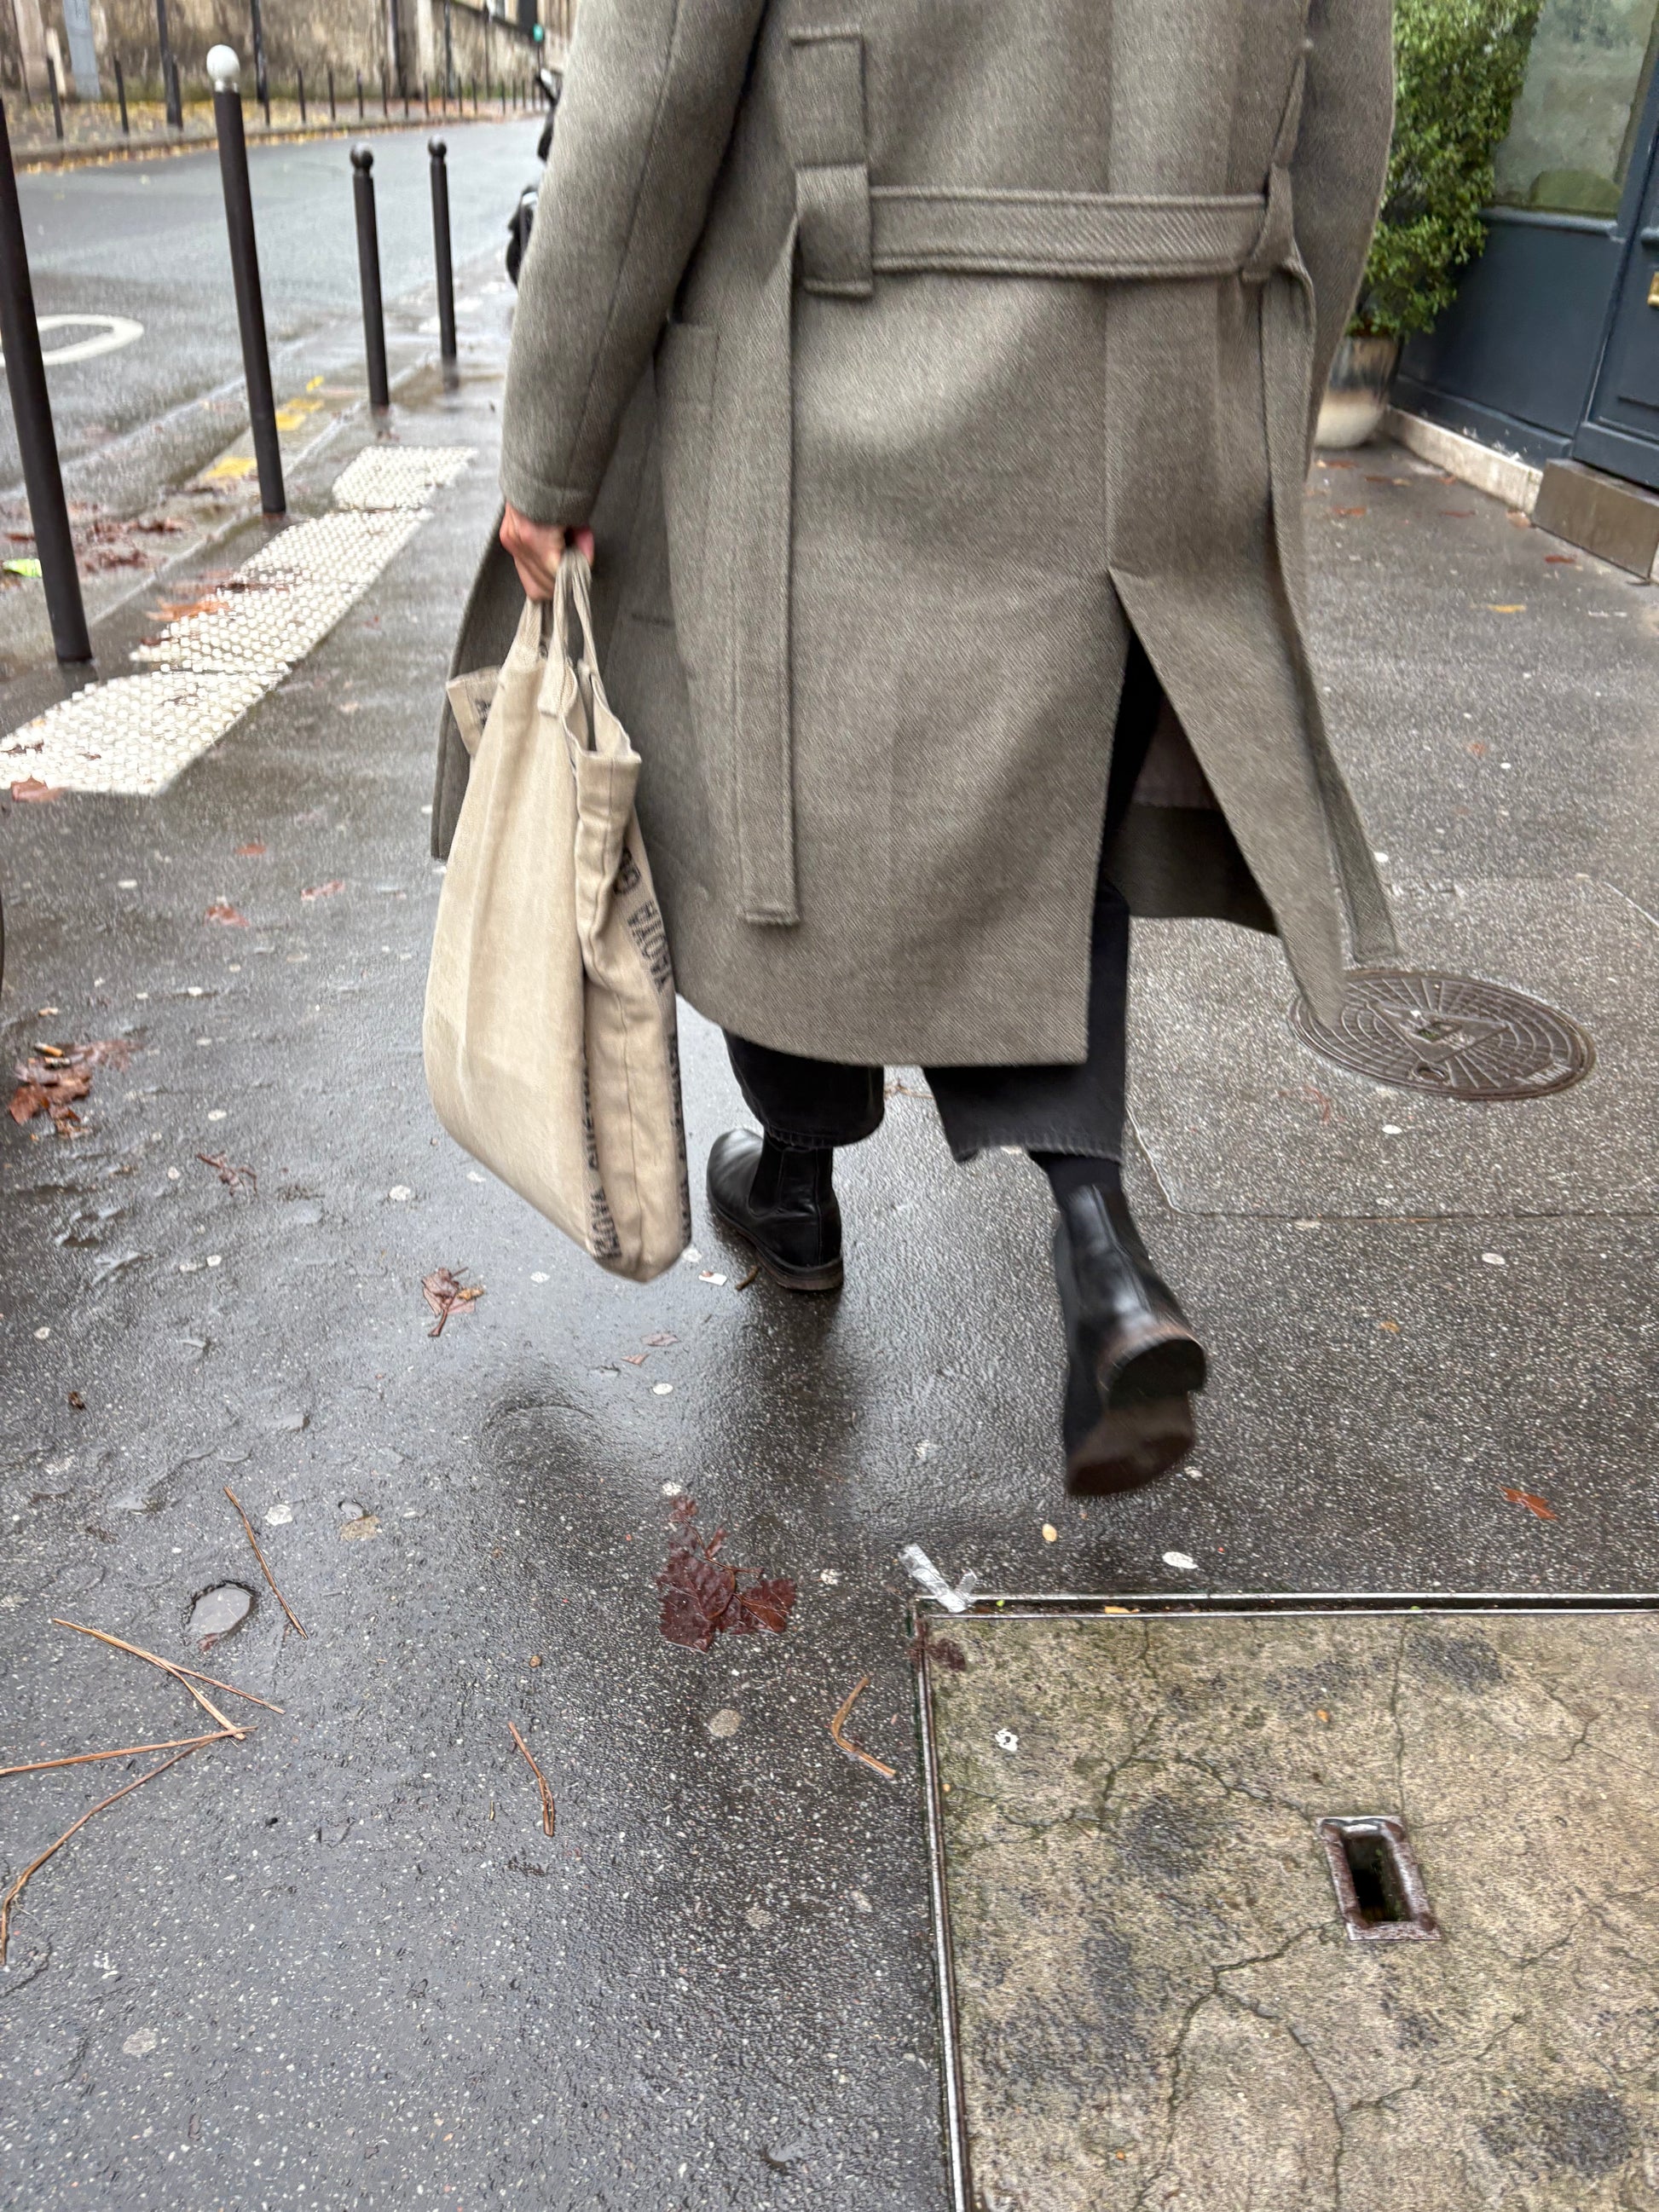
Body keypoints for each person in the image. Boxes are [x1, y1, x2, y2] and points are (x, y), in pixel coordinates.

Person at [432, 0, 1399, 1495]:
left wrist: (552, 446)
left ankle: (797, 1183)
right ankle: (1098, 1249)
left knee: (780, 794)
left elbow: (653, 85)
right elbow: (1343, 119)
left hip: (837, 358)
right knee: (1044, 811)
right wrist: (1251, 395)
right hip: (1156, 397)